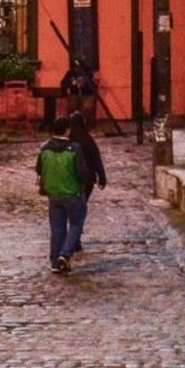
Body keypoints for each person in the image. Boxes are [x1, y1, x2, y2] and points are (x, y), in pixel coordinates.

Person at [35, 119, 88, 274]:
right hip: (73, 193)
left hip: (53, 194)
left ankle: (54, 262)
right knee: (76, 224)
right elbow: (82, 172)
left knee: (57, 229)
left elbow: (39, 170)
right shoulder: (74, 149)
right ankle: (65, 254)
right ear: (67, 130)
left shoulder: (44, 149)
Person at [63, 111, 107, 262]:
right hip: (87, 181)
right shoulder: (88, 140)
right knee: (80, 209)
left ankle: (71, 239)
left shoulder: (68, 141)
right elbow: (96, 159)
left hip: (70, 180)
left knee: (72, 210)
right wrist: (102, 177)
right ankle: (75, 239)